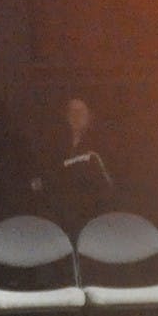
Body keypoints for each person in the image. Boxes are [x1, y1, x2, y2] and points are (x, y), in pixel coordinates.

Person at [31, 97, 114, 236]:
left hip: (91, 219)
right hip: (59, 219)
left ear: (90, 116)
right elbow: (45, 176)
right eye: (71, 112)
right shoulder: (55, 146)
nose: (76, 116)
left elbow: (102, 184)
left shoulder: (99, 147)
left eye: (81, 112)